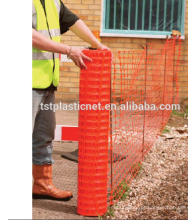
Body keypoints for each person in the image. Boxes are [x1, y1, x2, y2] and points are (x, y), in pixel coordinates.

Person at [32, 0, 110, 201]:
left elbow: (73, 21)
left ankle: (42, 185)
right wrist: (68, 50)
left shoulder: (52, 2)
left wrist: (97, 44)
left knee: (45, 135)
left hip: (46, 81)